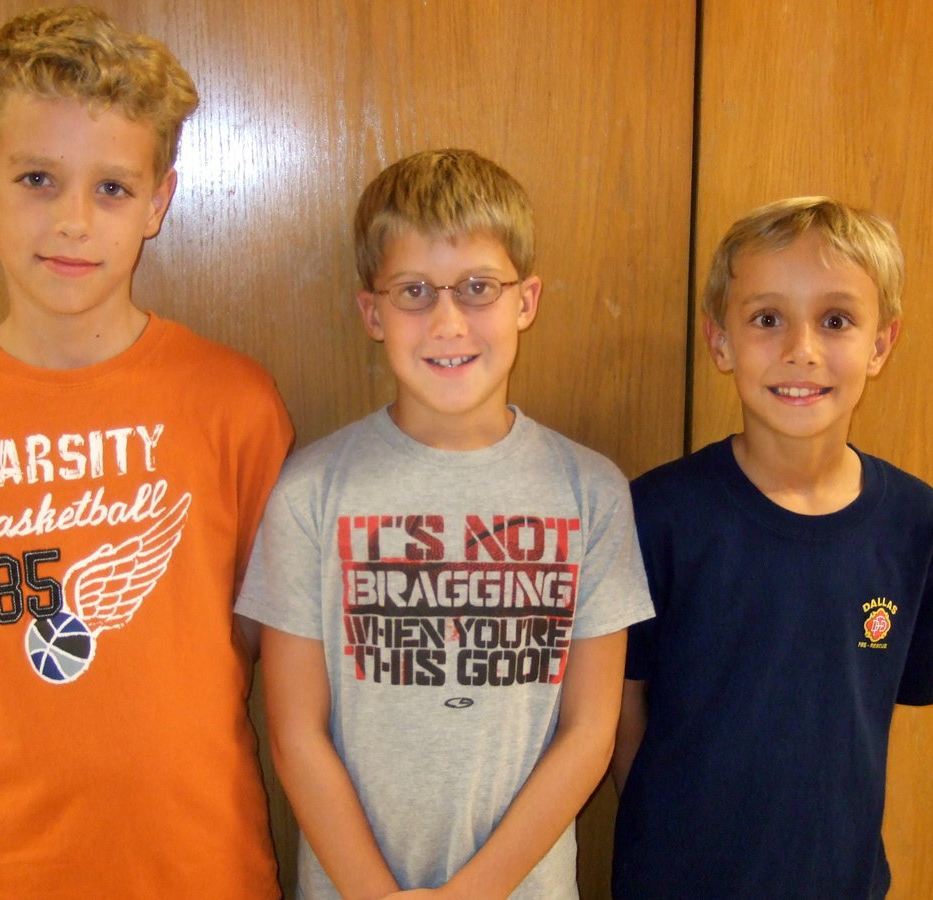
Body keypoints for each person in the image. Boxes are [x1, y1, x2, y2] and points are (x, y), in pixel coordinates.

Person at [0, 6, 292, 898]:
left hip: (209, 871)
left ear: (159, 202)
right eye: (38, 177)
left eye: (112, 188)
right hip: (8, 876)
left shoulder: (235, 403)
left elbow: (277, 654)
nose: (74, 220)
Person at [237, 148, 653, 899]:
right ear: (372, 312)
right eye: (415, 291)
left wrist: (472, 894)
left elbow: (590, 731)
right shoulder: (310, 494)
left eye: (478, 288)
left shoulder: (591, 494)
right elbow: (296, 735)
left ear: (526, 300)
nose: (448, 320)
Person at [610, 196, 933, 899]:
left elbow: (884, 709)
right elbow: (621, 711)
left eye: (835, 320)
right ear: (720, 342)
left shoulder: (913, 522)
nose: (801, 349)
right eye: (767, 319)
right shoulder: (657, 514)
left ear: (881, 344)